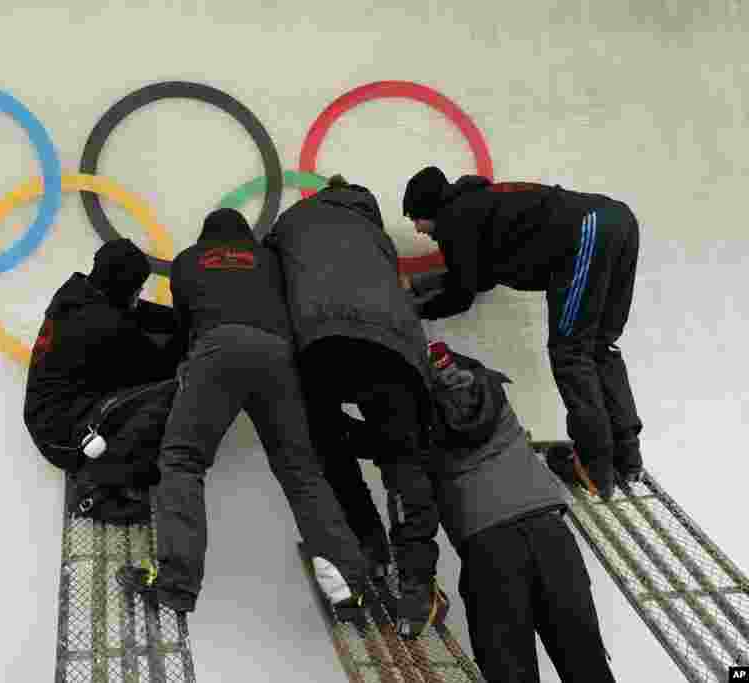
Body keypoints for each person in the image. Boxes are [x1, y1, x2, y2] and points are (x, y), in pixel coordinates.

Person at [115, 208, 371, 618]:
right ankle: (346, 587)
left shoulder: (187, 261)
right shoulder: (270, 260)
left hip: (216, 351)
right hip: (278, 357)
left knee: (182, 460)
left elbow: (184, 328)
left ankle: (176, 583)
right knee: (300, 472)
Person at [344, 341, 616, 682]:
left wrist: (417, 584)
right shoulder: (483, 387)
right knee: (587, 666)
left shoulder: (402, 417)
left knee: (510, 673)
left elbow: (412, 505)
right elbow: (449, 421)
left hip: (491, 550)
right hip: (553, 537)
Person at [263, 175, 444, 639]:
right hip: (392, 350)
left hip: (320, 345)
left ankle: (367, 546)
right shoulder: (376, 235)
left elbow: (267, 276)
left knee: (328, 445)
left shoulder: (292, 222)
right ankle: (416, 585)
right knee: (402, 461)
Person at [402, 167, 644, 500]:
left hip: (590, 229)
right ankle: (628, 457)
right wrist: (420, 285)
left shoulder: (454, 221)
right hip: (617, 220)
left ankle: (595, 467)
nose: (417, 228)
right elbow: (476, 277)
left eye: (416, 219)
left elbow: (461, 294)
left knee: (571, 354)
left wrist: (414, 309)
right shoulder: (476, 206)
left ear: (429, 209)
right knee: (599, 347)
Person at [23, 238, 184, 523]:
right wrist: (195, 336)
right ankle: (97, 487)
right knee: (168, 393)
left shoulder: (77, 292)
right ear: (122, 287)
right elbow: (159, 365)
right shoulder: (102, 326)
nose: (139, 294)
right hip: (62, 432)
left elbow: (139, 312)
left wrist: (183, 318)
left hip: (53, 414)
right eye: (137, 288)